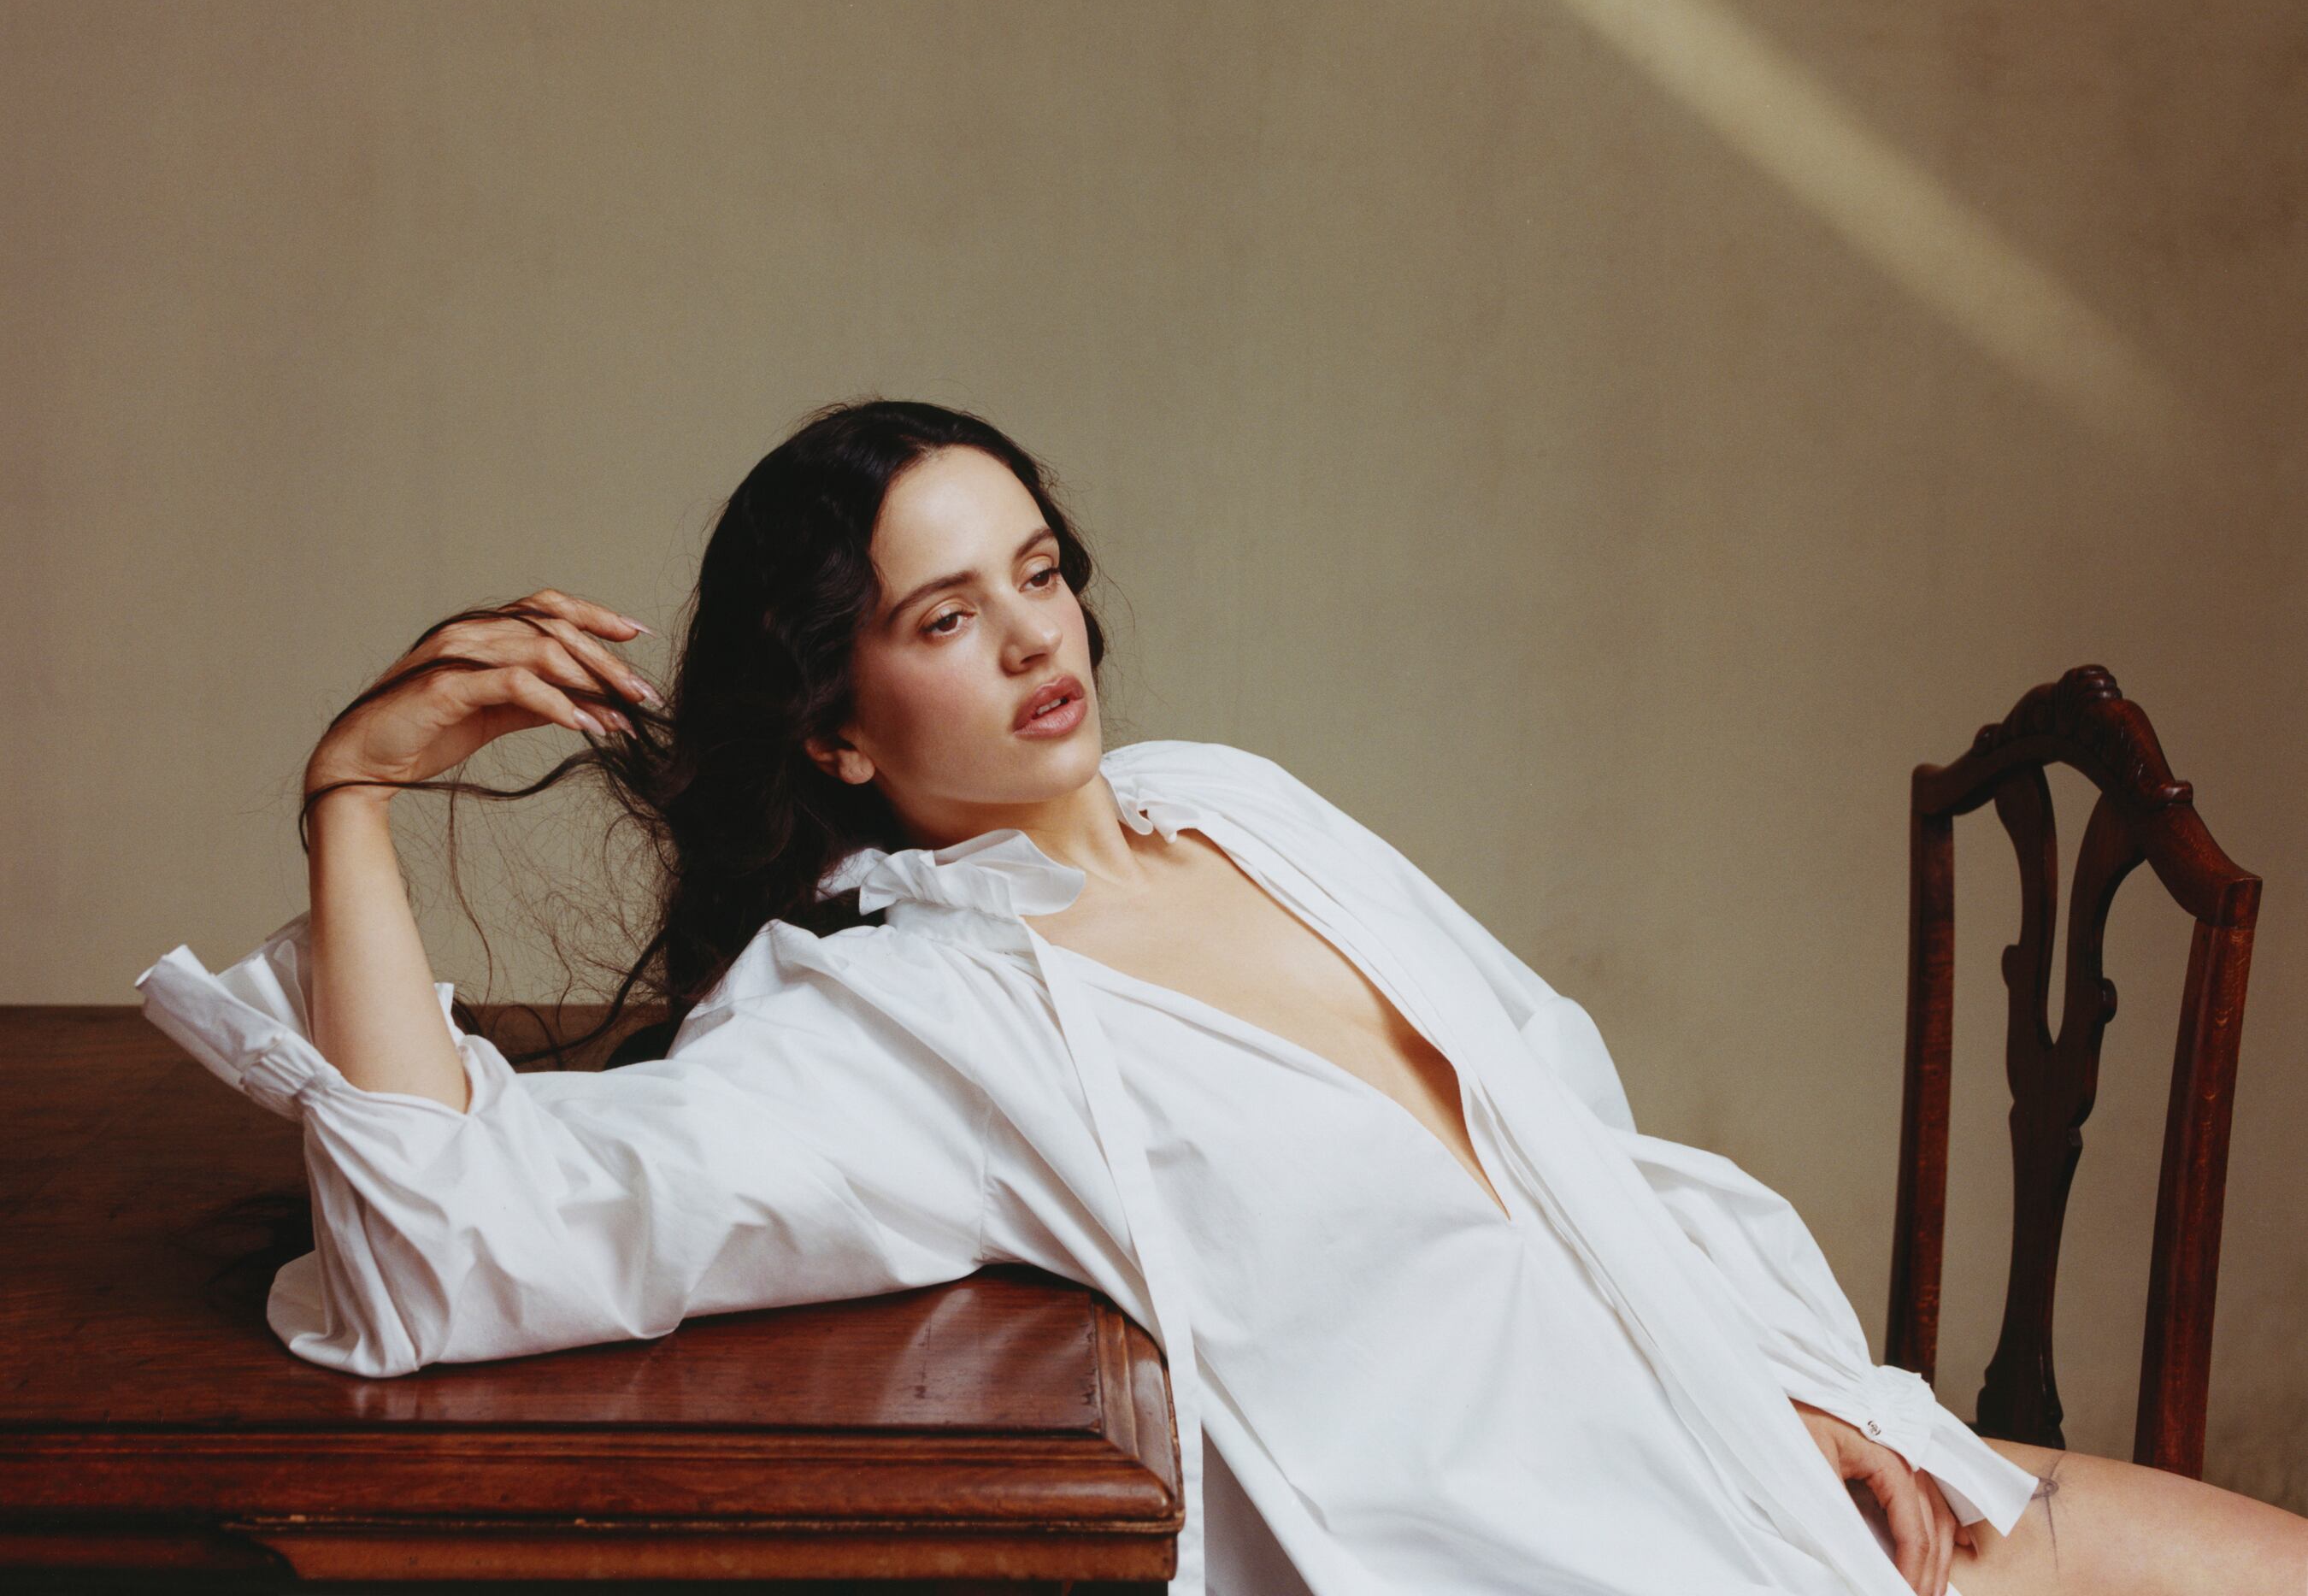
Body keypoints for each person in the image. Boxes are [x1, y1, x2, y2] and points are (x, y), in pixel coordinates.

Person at [136, 399, 2307, 1596]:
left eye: (1042, 574)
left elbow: (1570, 1139)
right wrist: (352, 793)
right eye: (944, 615)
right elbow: (451, 1239)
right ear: (831, 725)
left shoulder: (1235, 805)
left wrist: (1801, 1381)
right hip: (1578, 1558)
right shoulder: (905, 1017)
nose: (1029, 639)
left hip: (1767, 1449)